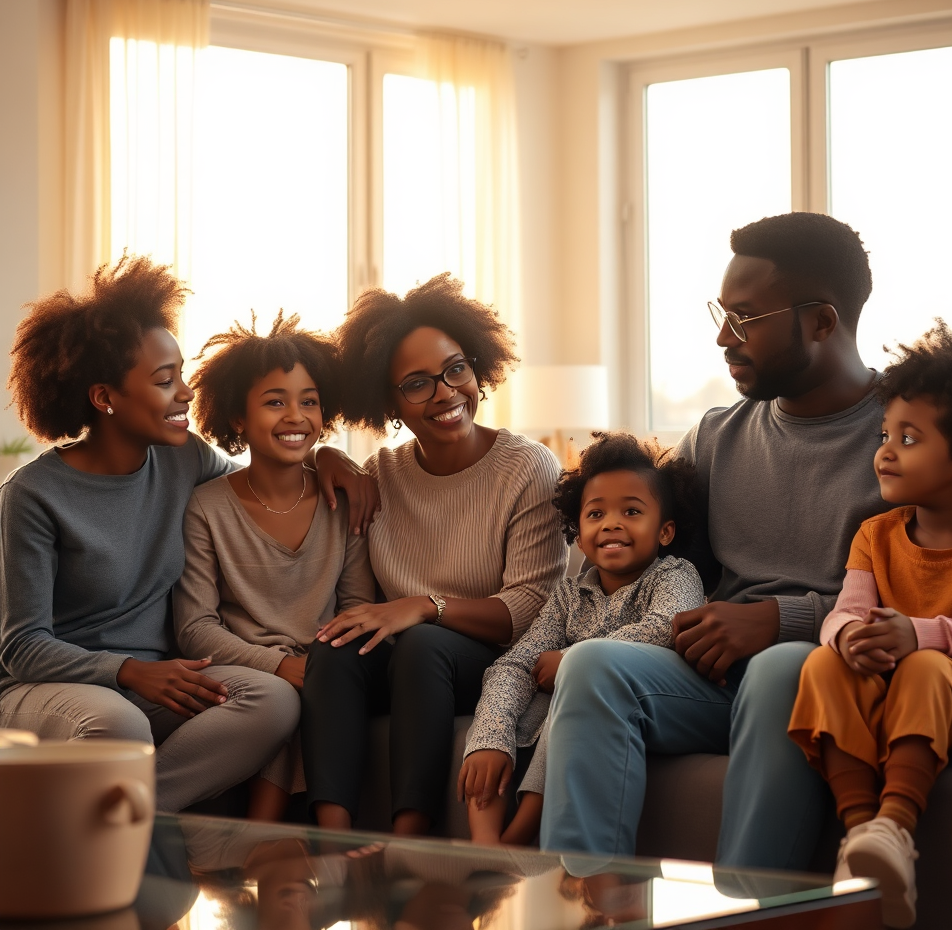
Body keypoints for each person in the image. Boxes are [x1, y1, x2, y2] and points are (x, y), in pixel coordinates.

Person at [539, 211, 885, 865]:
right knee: (592, 666)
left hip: (830, 675)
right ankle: (585, 900)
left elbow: (936, 582)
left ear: (821, 321)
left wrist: (781, 621)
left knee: (785, 668)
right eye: (721, 314)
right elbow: (647, 558)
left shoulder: (905, 435)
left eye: (747, 318)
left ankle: (743, 910)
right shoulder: (719, 436)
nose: (725, 337)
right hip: (715, 683)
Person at [0, 255, 373, 812]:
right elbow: (21, 645)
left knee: (272, 699)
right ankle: (112, 831)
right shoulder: (31, 496)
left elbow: (265, 476)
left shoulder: (184, 460)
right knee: (119, 724)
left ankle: (136, 820)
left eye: (181, 374)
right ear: (104, 398)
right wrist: (128, 670)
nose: (184, 395)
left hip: (162, 682)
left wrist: (327, 455)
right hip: (53, 690)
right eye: (164, 381)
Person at [301, 273, 568, 836]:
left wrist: (426, 605)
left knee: (423, 644)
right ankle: (330, 838)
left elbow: (533, 606)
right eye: (417, 383)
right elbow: (264, 474)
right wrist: (321, 455)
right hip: (409, 657)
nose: (446, 392)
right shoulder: (380, 475)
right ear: (388, 401)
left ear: (477, 369)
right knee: (332, 645)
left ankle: (411, 838)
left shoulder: (528, 469)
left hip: (493, 659)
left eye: (455, 369)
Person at [788, 323, 952, 928]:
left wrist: (916, 634)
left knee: (923, 664)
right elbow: (846, 610)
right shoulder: (877, 534)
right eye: (885, 434)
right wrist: (847, 636)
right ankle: (861, 834)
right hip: (882, 691)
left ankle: (894, 823)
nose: (885, 451)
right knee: (820, 661)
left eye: (910, 438)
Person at [174, 313, 376, 821]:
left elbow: (357, 608)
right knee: (286, 695)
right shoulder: (206, 506)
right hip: (244, 669)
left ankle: (263, 849)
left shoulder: (341, 500)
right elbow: (196, 628)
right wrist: (281, 666)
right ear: (238, 418)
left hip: (324, 668)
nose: (295, 415)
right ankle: (279, 845)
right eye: (274, 402)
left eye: (309, 401)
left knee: (314, 690)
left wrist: (318, 666)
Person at [458, 432, 704, 845]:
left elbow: (666, 626)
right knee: (502, 703)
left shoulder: (674, 575)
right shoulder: (569, 594)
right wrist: (491, 736)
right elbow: (518, 661)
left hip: (614, 701)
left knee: (573, 695)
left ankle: (518, 838)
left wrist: (570, 658)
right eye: (596, 514)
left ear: (664, 532)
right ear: (578, 527)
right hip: (550, 703)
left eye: (631, 511)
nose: (611, 523)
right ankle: (484, 845)